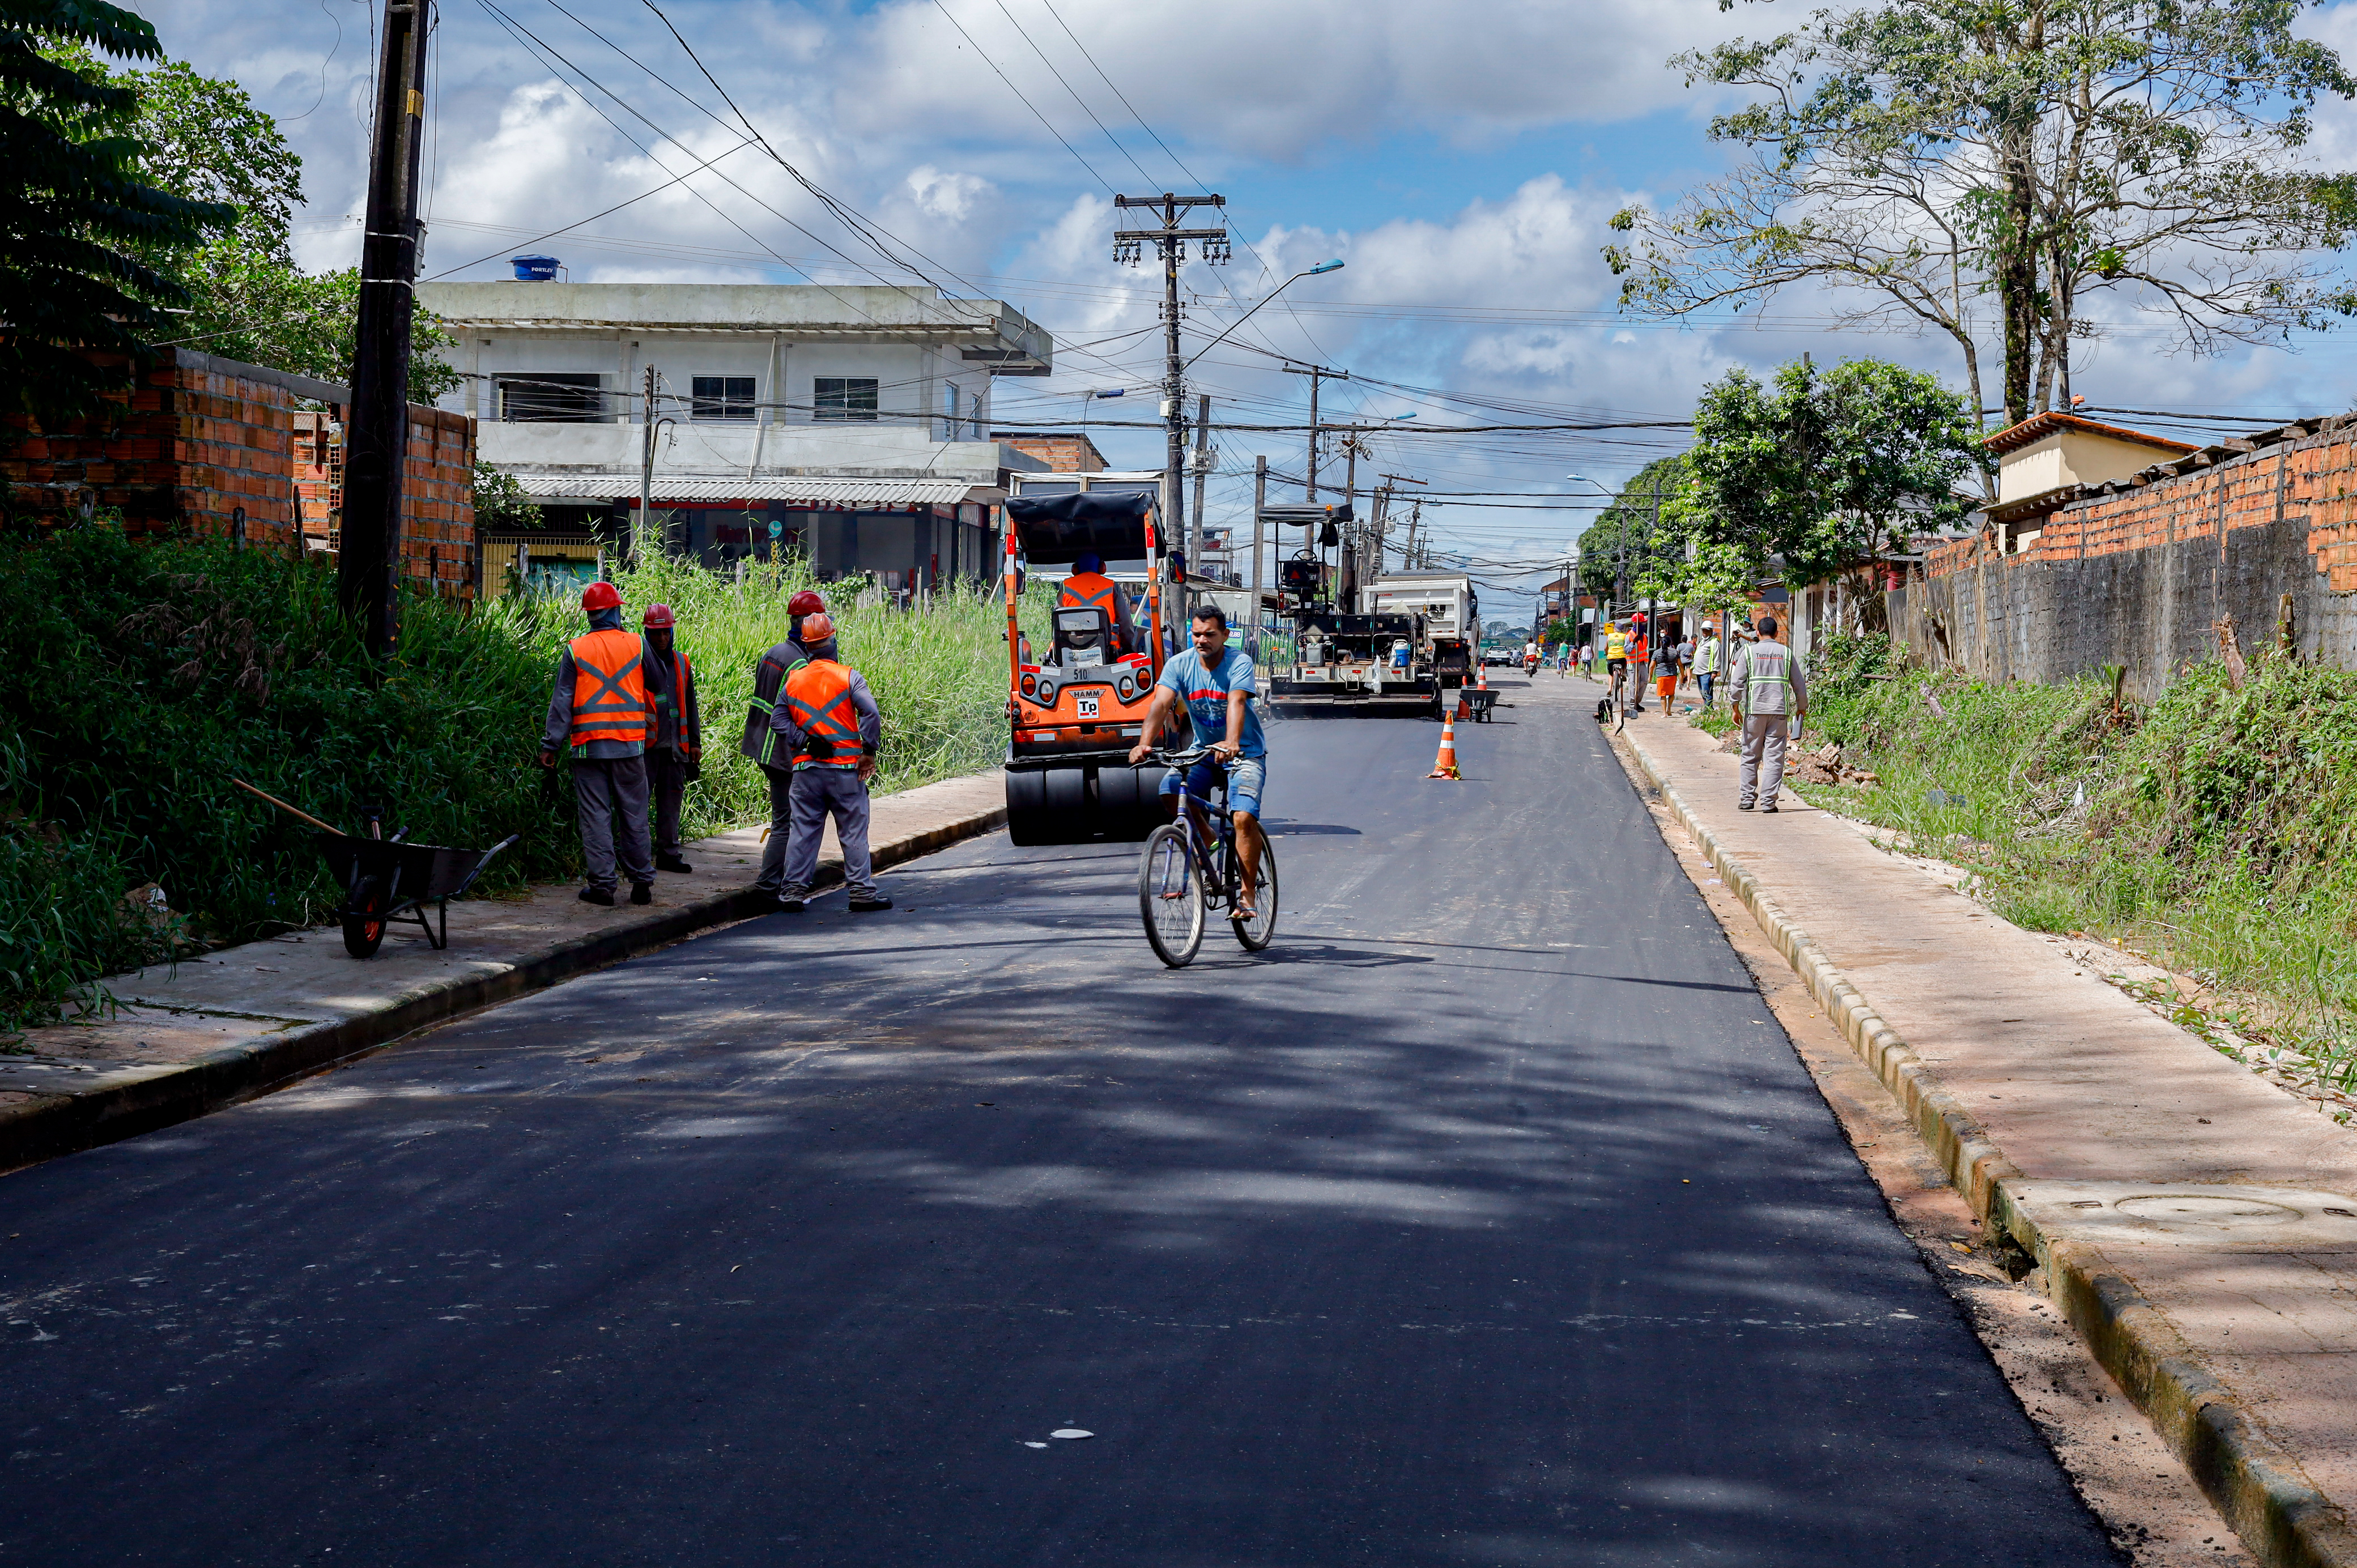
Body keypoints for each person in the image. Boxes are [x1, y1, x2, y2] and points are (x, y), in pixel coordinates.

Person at [1130, 605, 1269, 918]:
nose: (1202, 640)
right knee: (1169, 792)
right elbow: (1161, 703)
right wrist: (1143, 744)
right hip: (1204, 751)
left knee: (1243, 818)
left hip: (1244, 751)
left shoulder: (1239, 662)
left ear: (1225, 636)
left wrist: (1232, 741)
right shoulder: (1179, 664)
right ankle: (1209, 838)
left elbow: (1236, 701)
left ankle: (1247, 896)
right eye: (1196, 634)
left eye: (1210, 634)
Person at [538, 581, 655, 907]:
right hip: (630, 747)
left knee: (596, 818)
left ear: (590, 616)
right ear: (616, 611)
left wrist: (551, 746)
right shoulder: (637, 644)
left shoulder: (576, 649)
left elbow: (561, 702)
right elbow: (658, 684)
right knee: (634, 815)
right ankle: (642, 883)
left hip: (589, 749)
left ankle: (603, 888)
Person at [771, 613, 891, 913]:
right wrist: (868, 751)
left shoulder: (794, 681)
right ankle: (862, 894)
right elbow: (871, 713)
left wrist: (805, 740)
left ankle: (792, 894)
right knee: (853, 832)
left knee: (803, 833)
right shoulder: (849, 676)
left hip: (807, 772)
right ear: (833, 641)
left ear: (807, 647)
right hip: (845, 774)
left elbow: (778, 720)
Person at [742, 589, 828, 897]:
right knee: (786, 822)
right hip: (783, 752)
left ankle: (785, 880)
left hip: (762, 747)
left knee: (786, 819)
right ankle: (768, 887)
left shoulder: (774, 653)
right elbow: (804, 716)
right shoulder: (801, 665)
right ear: (808, 622)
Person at [640, 603, 702, 874]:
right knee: (638, 805)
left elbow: (690, 704)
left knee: (671, 805)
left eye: (666, 632)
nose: (662, 638)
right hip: (646, 748)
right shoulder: (637, 661)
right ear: (647, 633)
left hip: (676, 749)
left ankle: (669, 854)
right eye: (657, 633)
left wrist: (695, 743)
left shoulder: (682, 662)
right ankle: (638, 857)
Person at [1732, 614, 1808, 813]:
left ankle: (1747, 799)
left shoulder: (1748, 653)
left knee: (1750, 755)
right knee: (1774, 758)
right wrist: (1802, 707)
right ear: (1777, 633)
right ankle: (1768, 803)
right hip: (1779, 713)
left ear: (1757, 632)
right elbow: (1799, 686)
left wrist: (1735, 707)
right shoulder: (1786, 653)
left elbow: (1737, 684)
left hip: (1754, 712)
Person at [1058, 550, 1135, 656]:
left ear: (1075, 569)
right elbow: (1125, 622)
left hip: (1070, 648)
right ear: (1102, 568)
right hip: (1107, 650)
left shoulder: (1065, 587)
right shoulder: (1112, 587)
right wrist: (1128, 648)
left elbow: (1057, 621)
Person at [1650, 629, 1681, 714]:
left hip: (1661, 676)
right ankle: (1669, 710)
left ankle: (1664, 713)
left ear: (1661, 643)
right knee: (1671, 694)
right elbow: (1680, 665)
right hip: (1672, 676)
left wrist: (1650, 676)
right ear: (1670, 643)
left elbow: (1651, 666)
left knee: (1662, 696)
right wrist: (1682, 674)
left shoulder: (1656, 653)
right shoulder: (1675, 652)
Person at [1695, 624, 1725, 710]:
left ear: (1711, 631)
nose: (1705, 633)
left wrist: (1715, 671)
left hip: (1707, 672)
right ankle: (1708, 709)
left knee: (1707, 693)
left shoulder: (1715, 642)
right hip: (1699, 671)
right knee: (1703, 692)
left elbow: (1717, 657)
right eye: (1703, 631)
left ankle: (1708, 710)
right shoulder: (1702, 642)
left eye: (1707, 631)